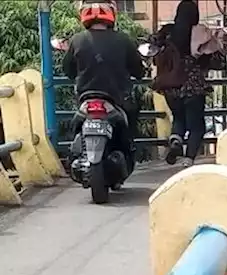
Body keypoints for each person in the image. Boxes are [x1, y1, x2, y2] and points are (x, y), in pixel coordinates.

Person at [61, 1, 146, 156]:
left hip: (85, 98)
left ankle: (73, 155)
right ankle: (131, 151)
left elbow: (68, 69)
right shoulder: (124, 39)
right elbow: (138, 70)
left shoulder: (77, 40)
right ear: (111, 15)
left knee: (74, 128)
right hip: (117, 99)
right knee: (130, 125)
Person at [154, 0, 218, 167]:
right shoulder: (200, 33)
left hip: (170, 87)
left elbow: (151, 51)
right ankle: (188, 159)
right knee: (197, 126)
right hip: (193, 86)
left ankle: (176, 140)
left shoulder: (166, 32)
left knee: (179, 117)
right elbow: (217, 61)